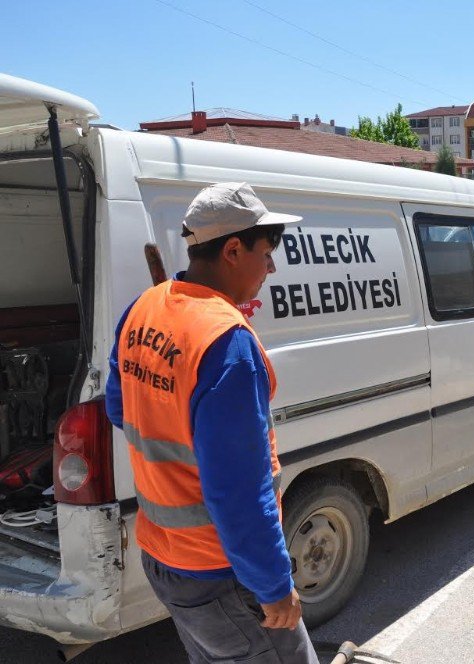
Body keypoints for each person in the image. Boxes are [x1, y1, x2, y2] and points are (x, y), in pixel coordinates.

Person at [105, 182, 320, 663]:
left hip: (163, 559)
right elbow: (240, 491)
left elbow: (118, 409)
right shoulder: (226, 344)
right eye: (266, 253)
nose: (271, 267)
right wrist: (273, 586)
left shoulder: (142, 310)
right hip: (221, 573)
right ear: (232, 249)